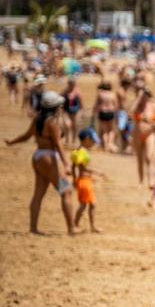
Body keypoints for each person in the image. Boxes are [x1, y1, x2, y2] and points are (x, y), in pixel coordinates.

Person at [5, 90, 76, 235]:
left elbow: (26, 136)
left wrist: (12, 142)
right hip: (49, 158)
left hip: (38, 156)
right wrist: (67, 164)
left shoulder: (38, 118)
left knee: (38, 193)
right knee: (66, 191)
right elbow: (58, 144)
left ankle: (33, 228)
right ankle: (72, 228)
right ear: (55, 106)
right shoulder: (53, 122)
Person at [71, 128, 103, 233]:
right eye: (92, 141)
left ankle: (76, 224)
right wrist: (97, 172)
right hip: (85, 182)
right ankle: (88, 226)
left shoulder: (77, 151)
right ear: (86, 139)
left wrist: (75, 179)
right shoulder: (82, 152)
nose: (93, 143)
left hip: (83, 180)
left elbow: (73, 167)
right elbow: (83, 168)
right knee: (91, 204)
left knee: (84, 204)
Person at [132, 86, 155, 186]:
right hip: (137, 134)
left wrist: (153, 125)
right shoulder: (137, 106)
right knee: (139, 158)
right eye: (143, 94)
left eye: (146, 94)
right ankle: (141, 181)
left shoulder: (153, 105)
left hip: (149, 133)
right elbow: (130, 112)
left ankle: (150, 180)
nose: (145, 96)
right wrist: (138, 98)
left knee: (149, 157)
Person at [94, 80, 119, 152]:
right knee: (111, 130)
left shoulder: (100, 94)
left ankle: (105, 145)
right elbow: (116, 106)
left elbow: (96, 105)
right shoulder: (113, 94)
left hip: (103, 112)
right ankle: (110, 144)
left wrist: (94, 114)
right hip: (111, 112)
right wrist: (117, 116)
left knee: (104, 131)